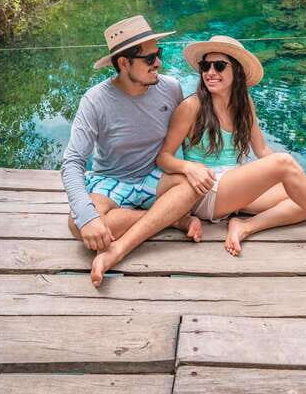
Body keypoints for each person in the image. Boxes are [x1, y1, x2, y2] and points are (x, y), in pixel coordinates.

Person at [157, 35, 306, 255]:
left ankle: (245, 226)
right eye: (205, 66)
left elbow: (262, 150)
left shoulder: (244, 103)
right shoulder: (192, 106)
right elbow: (164, 157)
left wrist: (293, 178)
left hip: (234, 185)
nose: (210, 72)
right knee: (284, 163)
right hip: (207, 189)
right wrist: (189, 168)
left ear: (237, 72)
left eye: (219, 66)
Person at [61, 15, 203, 288]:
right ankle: (172, 220)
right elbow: (73, 161)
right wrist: (89, 217)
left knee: (195, 183)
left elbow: (183, 140)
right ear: (124, 63)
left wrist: (192, 167)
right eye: (150, 59)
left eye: (159, 54)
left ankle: (127, 240)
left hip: (155, 176)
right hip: (111, 180)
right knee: (78, 224)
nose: (158, 63)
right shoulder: (95, 100)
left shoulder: (171, 88)